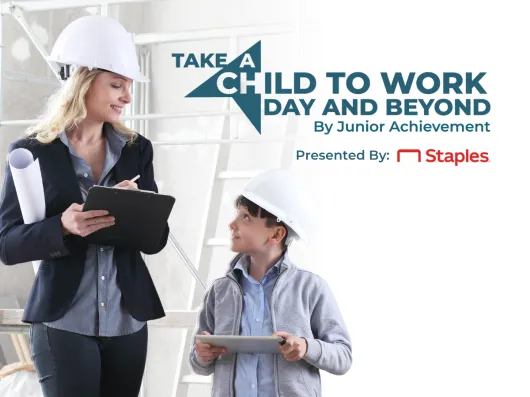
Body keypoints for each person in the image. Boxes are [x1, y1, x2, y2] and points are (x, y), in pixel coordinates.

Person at [0, 16, 167, 397]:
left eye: (128, 86)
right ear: (82, 81)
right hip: (63, 321)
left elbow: (156, 240)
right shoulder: (30, 153)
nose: (127, 96)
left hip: (128, 321)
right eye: (116, 84)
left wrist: (135, 210)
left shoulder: (137, 150)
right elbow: (7, 244)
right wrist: (62, 226)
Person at [189, 169, 352, 397]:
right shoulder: (219, 291)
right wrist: (202, 355)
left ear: (276, 235)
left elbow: (343, 357)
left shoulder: (311, 288)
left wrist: (306, 347)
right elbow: (198, 363)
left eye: (245, 217)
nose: (232, 224)